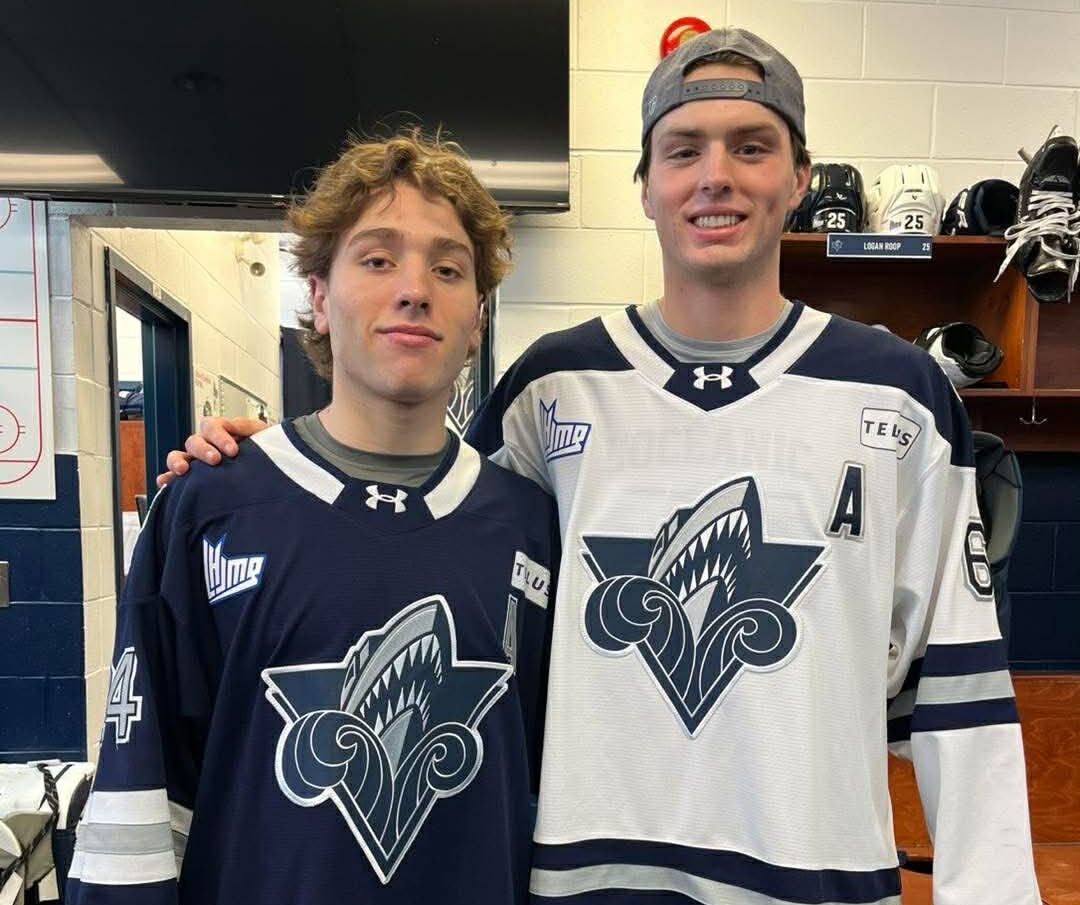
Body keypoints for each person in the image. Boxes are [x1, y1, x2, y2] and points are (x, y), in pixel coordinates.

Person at [167, 29, 1040, 905]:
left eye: (751, 147)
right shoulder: (552, 386)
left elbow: (961, 699)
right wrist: (272, 469)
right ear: (645, 185)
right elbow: (415, 538)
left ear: (800, 179)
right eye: (684, 150)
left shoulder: (902, 394)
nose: (716, 176)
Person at [71, 131, 558, 905]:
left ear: (477, 319)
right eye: (378, 259)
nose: (414, 288)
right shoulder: (208, 506)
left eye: (447, 268)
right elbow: (143, 797)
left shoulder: (532, 526)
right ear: (321, 298)